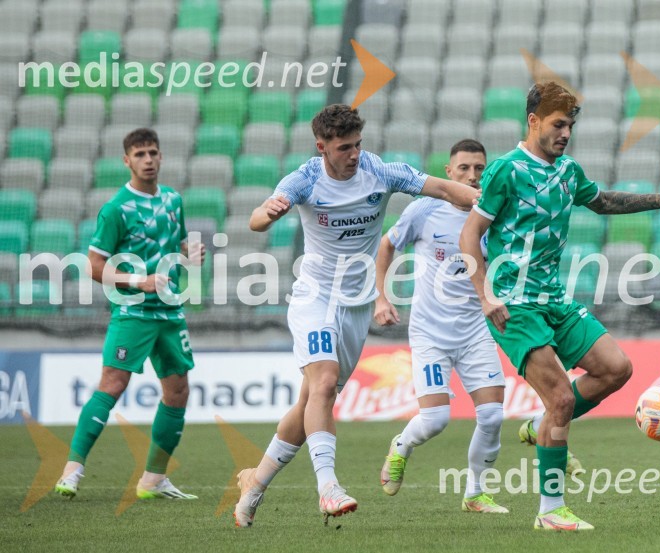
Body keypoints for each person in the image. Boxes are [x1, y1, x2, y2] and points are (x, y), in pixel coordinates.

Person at [459, 81, 660, 531]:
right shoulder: (505, 172)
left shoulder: (568, 171)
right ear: (533, 121)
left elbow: (604, 201)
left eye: (569, 125)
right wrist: (485, 295)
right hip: (513, 305)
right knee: (559, 398)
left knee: (617, 368)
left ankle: (540, 426)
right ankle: (551, 511)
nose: (565, 133)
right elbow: (469, 236)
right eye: (558, 124)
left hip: (554, 298)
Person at [233, 104, 480, 527]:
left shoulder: (380, 171)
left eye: (357, 145)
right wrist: (268, 213)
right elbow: (257, 219)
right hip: (315, 296)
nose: (354, 154)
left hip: (356, 304)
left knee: (312, 399)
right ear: (322, 147)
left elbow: (442, 188)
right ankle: (328, 487)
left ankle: (253, 484)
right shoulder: (305, 178)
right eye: (344, 147)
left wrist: (485, 202)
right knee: (324, 382)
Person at [55, 128, 205, 500]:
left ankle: (153, 479)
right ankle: (72, 470)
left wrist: (190, 256)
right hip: (133, 311)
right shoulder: (116, 208)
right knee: (112, 383)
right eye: (140, 154)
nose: (148, 160)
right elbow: (92, 267)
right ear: (127, 161)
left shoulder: (173, 199)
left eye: (153, 152)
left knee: (178, 390)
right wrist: (139, 281)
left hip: (170, 313)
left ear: (161, 156)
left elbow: (179, 245)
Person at [373, 139, 509, 513]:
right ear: (449, 173)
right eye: (464, 168)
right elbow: (386, 246)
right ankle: (401, 446)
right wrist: (380, 297)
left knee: (493, 415)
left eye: (480, 168)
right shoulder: (424, 210)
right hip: (430, 332)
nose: (472, 175)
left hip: (476, 329)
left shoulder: (493, 214)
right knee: (434, 420)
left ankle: (475, 493)